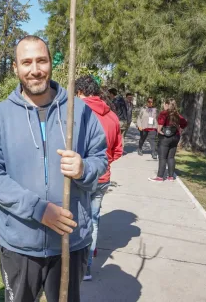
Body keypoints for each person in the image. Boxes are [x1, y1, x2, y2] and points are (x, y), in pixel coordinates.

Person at [0, 35, 108, 302]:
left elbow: (100, 158)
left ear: (51, 64)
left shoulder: (79, 111)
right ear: (15, 68)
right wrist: (38, 209)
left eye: (41, 60)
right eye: (26, 62)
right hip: (21, 242)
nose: (35, 69)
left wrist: (84, 168)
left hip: (70, 240)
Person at [75, 76, 122, 281]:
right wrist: (105, 162)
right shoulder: (112, 116)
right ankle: (87, 267)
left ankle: (76, 266)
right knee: (93, 220)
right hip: (103, 176)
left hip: (80, 175)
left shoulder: (76, 111)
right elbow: (118, 150)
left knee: (75, 220)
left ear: (79, 92)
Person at [149, 98, 187, 182]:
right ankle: (171, 176)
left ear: (166, 104)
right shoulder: (177, 114)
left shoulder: (164, 113)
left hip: (165, 137)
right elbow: (184, 123)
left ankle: (160, 176)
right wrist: (180, 129)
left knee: (162, 158)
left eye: (164, 104)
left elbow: (160, 126)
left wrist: (159, 130)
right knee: (171, 157)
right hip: (175, 137)